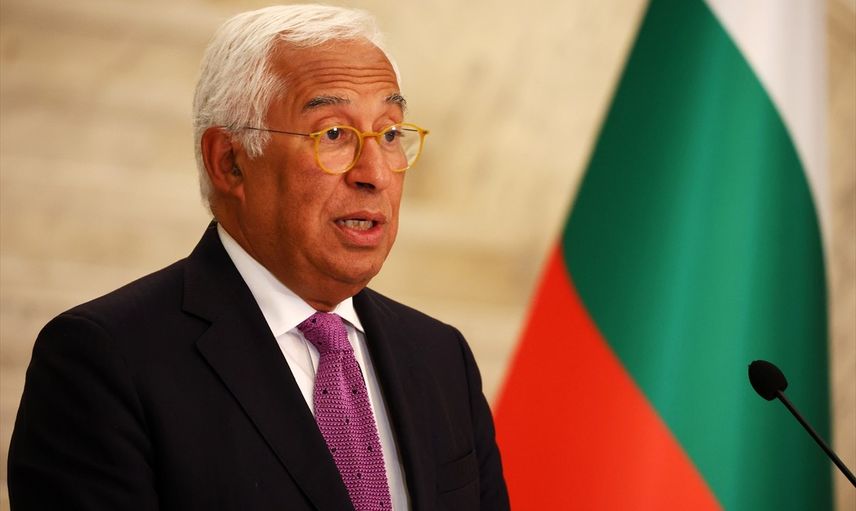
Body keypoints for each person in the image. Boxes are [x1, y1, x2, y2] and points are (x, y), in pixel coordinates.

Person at [7, 5, 509, 510]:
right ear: (229, 162)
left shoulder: (441, 357)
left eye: (390, 134)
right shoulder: (105, 361)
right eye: (334, 134)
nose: (375, 173)